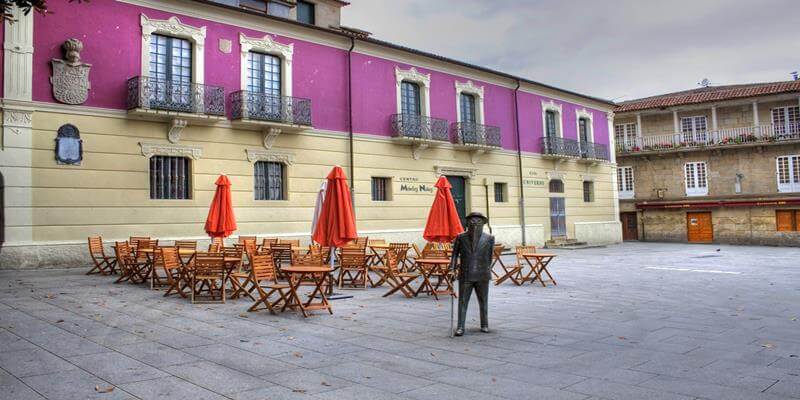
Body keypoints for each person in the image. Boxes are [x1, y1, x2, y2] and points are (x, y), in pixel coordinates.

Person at [450, 211, 494, 336]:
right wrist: (452, 269)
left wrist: (485, 268)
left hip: (482, 274)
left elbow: (490, 257)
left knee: (483, 301)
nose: (474, 223)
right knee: (462, 301)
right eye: (472, 221)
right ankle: (460, 326)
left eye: (478, 221)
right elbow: (454, 255)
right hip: (465, 274)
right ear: (467, 223)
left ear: (483, 223)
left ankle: (484, 324)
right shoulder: (460, 237)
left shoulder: (489, 238)